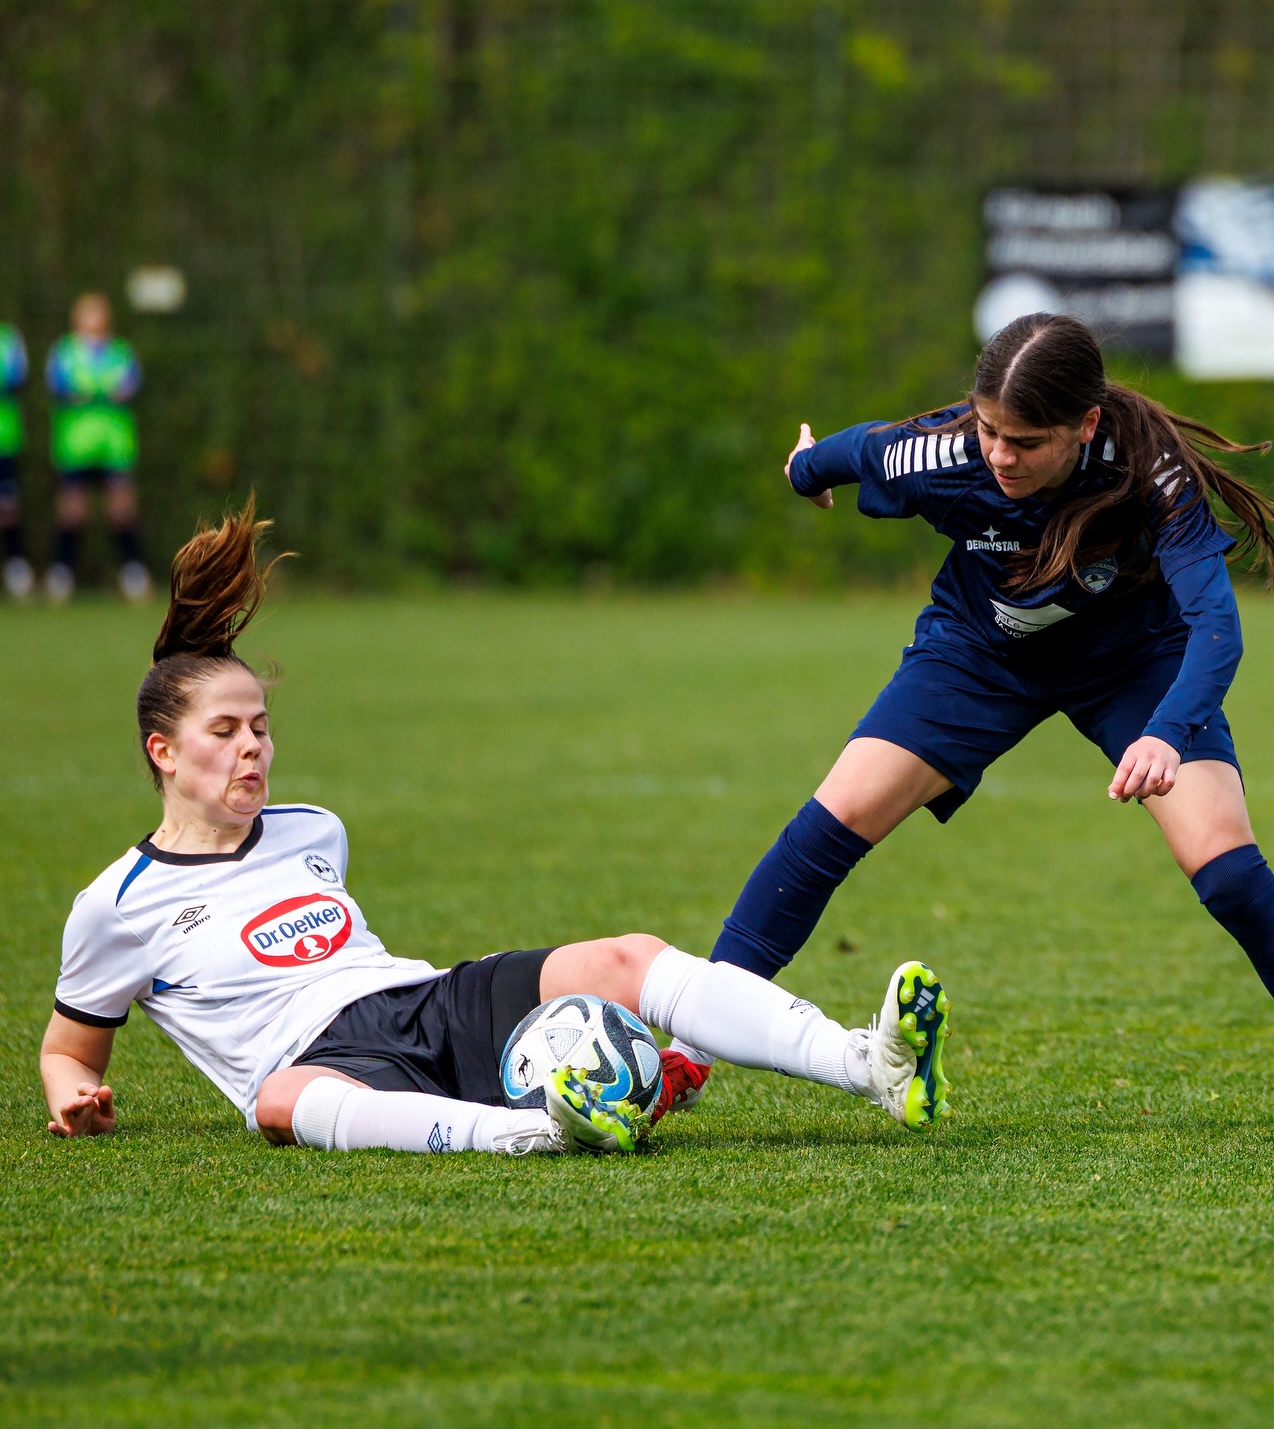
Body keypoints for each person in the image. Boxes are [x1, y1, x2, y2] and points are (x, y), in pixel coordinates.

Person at [665, 313, 1274, 1146]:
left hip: (1133, 664)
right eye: (988, 429)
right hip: (979, 654)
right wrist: (803, 472)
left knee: (1229, 872)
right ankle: (688, 1052)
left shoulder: (1150, 470)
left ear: (1085, 425)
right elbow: (839, 456)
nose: (1000, 455)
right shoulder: (940, 454)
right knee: (832, 821)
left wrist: (1167, 732)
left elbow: (1216, 626)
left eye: (1026, 441)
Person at [39, 499, 952, 1156]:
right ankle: (527, 1132)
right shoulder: (117, 904)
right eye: (226, 732)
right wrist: (76, 1096)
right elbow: (68, 1049)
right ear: (163, 751)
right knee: (278, 1102)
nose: (253, 749)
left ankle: (867, 1063)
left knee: (628, 957)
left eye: (261, 728)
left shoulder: (311, 830)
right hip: (320, 1064)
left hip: (425, 1002)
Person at [44, 292, 149, 603]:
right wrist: (100, 391)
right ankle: (62, 572)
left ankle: (134, 572)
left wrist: (90, 392)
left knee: (122, 509)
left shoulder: (121, 352)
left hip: (115, 444)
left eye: (97, 312)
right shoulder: (64, 352)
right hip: (75, 445)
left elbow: (128, 386)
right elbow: (62, 387)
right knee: (73, 511)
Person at [0, 321, 31, 599]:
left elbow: (16, 378)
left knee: (7, 505)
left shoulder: (8, 340)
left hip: (4, 437)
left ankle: (15, 565)